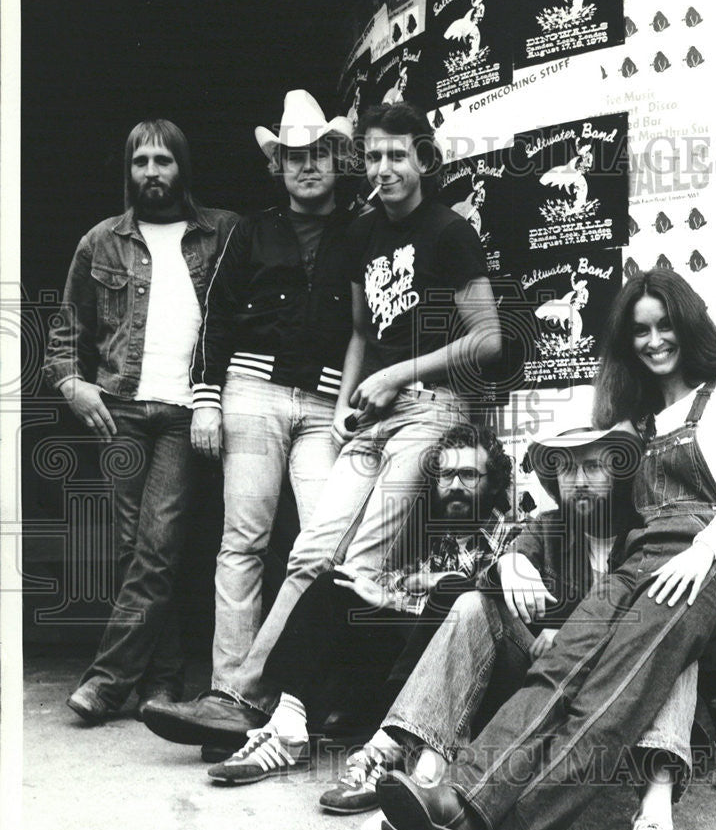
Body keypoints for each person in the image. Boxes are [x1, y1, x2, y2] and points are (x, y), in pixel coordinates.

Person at [375, 268, 716, 830]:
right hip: (640, 557)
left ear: (689, 324)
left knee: (610, 698)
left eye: (664, 325)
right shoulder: (631, 417)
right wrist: (516, 556)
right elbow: (555, 482)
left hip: (706, 554)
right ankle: (458, 804)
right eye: (639, 330)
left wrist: (703, 553)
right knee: (559, 670)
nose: (652, 340)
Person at [142, 102, 501, 745]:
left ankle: (331, 711)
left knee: (357, 561)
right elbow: (363, 329)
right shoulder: (364, 234)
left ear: (425, 159)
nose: (386, 167)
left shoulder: (451, 232)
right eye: (377, 156)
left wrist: (392, 377)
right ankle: (243, 697)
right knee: (310, 550)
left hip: (431, 408)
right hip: (366, 414)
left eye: (399, 155)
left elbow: (490, 340)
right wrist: (346, 408)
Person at [332, 422, 699, 830]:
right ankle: (430, 781)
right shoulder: (547, 528)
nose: (579, 481)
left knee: (674, 637)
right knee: (470, 604)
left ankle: (654, 818)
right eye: (566, 470)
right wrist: (506, 565)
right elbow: (492, 585)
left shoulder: (648, 535)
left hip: (625, 702)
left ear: (618, 473)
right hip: (543, 696)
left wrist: (569, 638)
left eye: (592, 466)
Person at [141, 91, 357, 754]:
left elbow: (370, 324)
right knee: (243, 539)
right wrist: (205, 399)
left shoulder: (362, 232)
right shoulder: (249, 231)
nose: (307, 167)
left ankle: (298, 693)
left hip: (328, 407)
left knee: (324, 545)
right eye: (294, 157)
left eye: (318, 153)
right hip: (253, 394)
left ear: (335, 158)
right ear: (278, 166)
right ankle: (231, 695)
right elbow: (219, 318)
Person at [42, 120, 237, 723]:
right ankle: (162, 683)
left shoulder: (223, 233)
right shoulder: (99, 242)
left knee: (156, 544)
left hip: (185, 411)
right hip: (120, 408)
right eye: (140, 162)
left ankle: (107, 681)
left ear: (183, 166)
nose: (152, 173)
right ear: (127, 171)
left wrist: (220, 396)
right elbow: (64, 332)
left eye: (164, 161)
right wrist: (72, 385)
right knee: (136, 550)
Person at [199, 424, 517, 785]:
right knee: (338, 584)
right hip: (401, 675)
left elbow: (488, 608)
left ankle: (393, 747)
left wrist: (420, 589)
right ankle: (286, 727)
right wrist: (398, 592)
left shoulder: (515, 537)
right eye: (447, 475)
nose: (455, 485)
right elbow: (402, 581)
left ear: (493, 483)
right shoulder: (441, 537)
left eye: (469, 475)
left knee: (453, 593)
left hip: (456, 692)